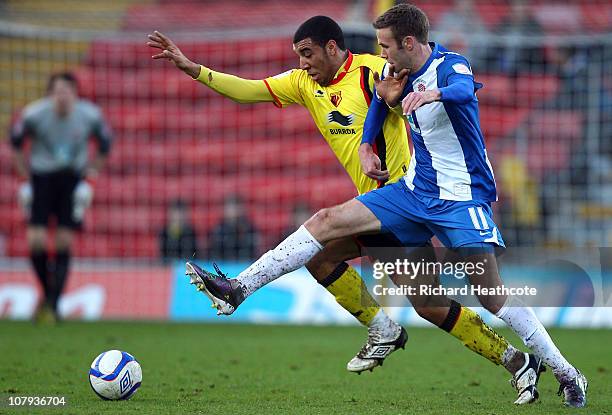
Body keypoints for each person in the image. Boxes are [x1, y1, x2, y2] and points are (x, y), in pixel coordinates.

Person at [185, 5, 588, 407]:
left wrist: (434, 94)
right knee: (325, 231)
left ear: (408, 43)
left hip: (461, 198)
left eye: (386, 46)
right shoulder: (387, 74)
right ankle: (240, 288)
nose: (382, 55)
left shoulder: (450, 65)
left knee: (482, 295)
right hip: (410, 194)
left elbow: (465, 90)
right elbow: (380, 100)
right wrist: (365, 143)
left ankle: (563, 372)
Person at [10, 72, 112, 322]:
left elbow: (105, 144)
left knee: (64, 242)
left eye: (67, 92)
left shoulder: (90, 115)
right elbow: (15, 143)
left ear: (75, 94)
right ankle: (49, 294)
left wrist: (90, 180)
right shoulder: (34, 115)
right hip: (42, 179)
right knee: (35, 241)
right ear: (50, 94)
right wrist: (25, 182)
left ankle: (53, 305)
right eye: (57, 92)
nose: (62, 97)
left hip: (71, 180)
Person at [206, 194, 259, 261]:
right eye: (231, 208)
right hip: (223, 264)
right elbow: (214, 252)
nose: (234, 211)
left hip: (244, 264)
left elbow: (253, 249)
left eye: (237, 207)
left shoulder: (250, 228)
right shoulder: (219, 229)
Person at [159, 199, 199, 263]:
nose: (178, 216)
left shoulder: (190, 232)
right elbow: (163, 254)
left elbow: (193, 253)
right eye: (175, 213)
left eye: (180, 213)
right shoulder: (164, 232)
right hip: (168, 266)